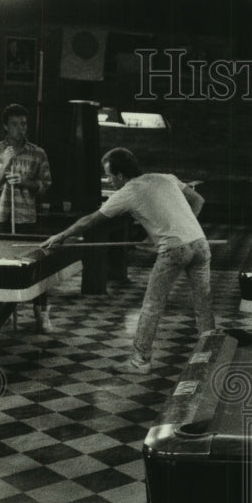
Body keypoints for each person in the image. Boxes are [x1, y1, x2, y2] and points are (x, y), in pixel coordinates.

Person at [41, 147, 215, 375]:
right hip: (201, 244)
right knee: (203, 304)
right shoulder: (165, 177)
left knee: (152, 306)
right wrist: (183, 227)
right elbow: (198, 200)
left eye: (110, 175)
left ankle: (139, 361)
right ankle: (211, 355)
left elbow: (91, 221)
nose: (109, 180)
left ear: (120, 175)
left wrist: (61, 236)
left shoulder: (129, 191)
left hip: (175, 249)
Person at [0, 103, 53, 330]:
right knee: (0, 268)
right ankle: (2, 313)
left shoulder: (38, 153)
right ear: (5, 126)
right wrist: (5, 164)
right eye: (15, 124)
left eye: (23, 124)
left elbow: (45, 186)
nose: (20, 128)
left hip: (26, 216)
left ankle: (41, 313)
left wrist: (25, 182)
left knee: (36, 266)